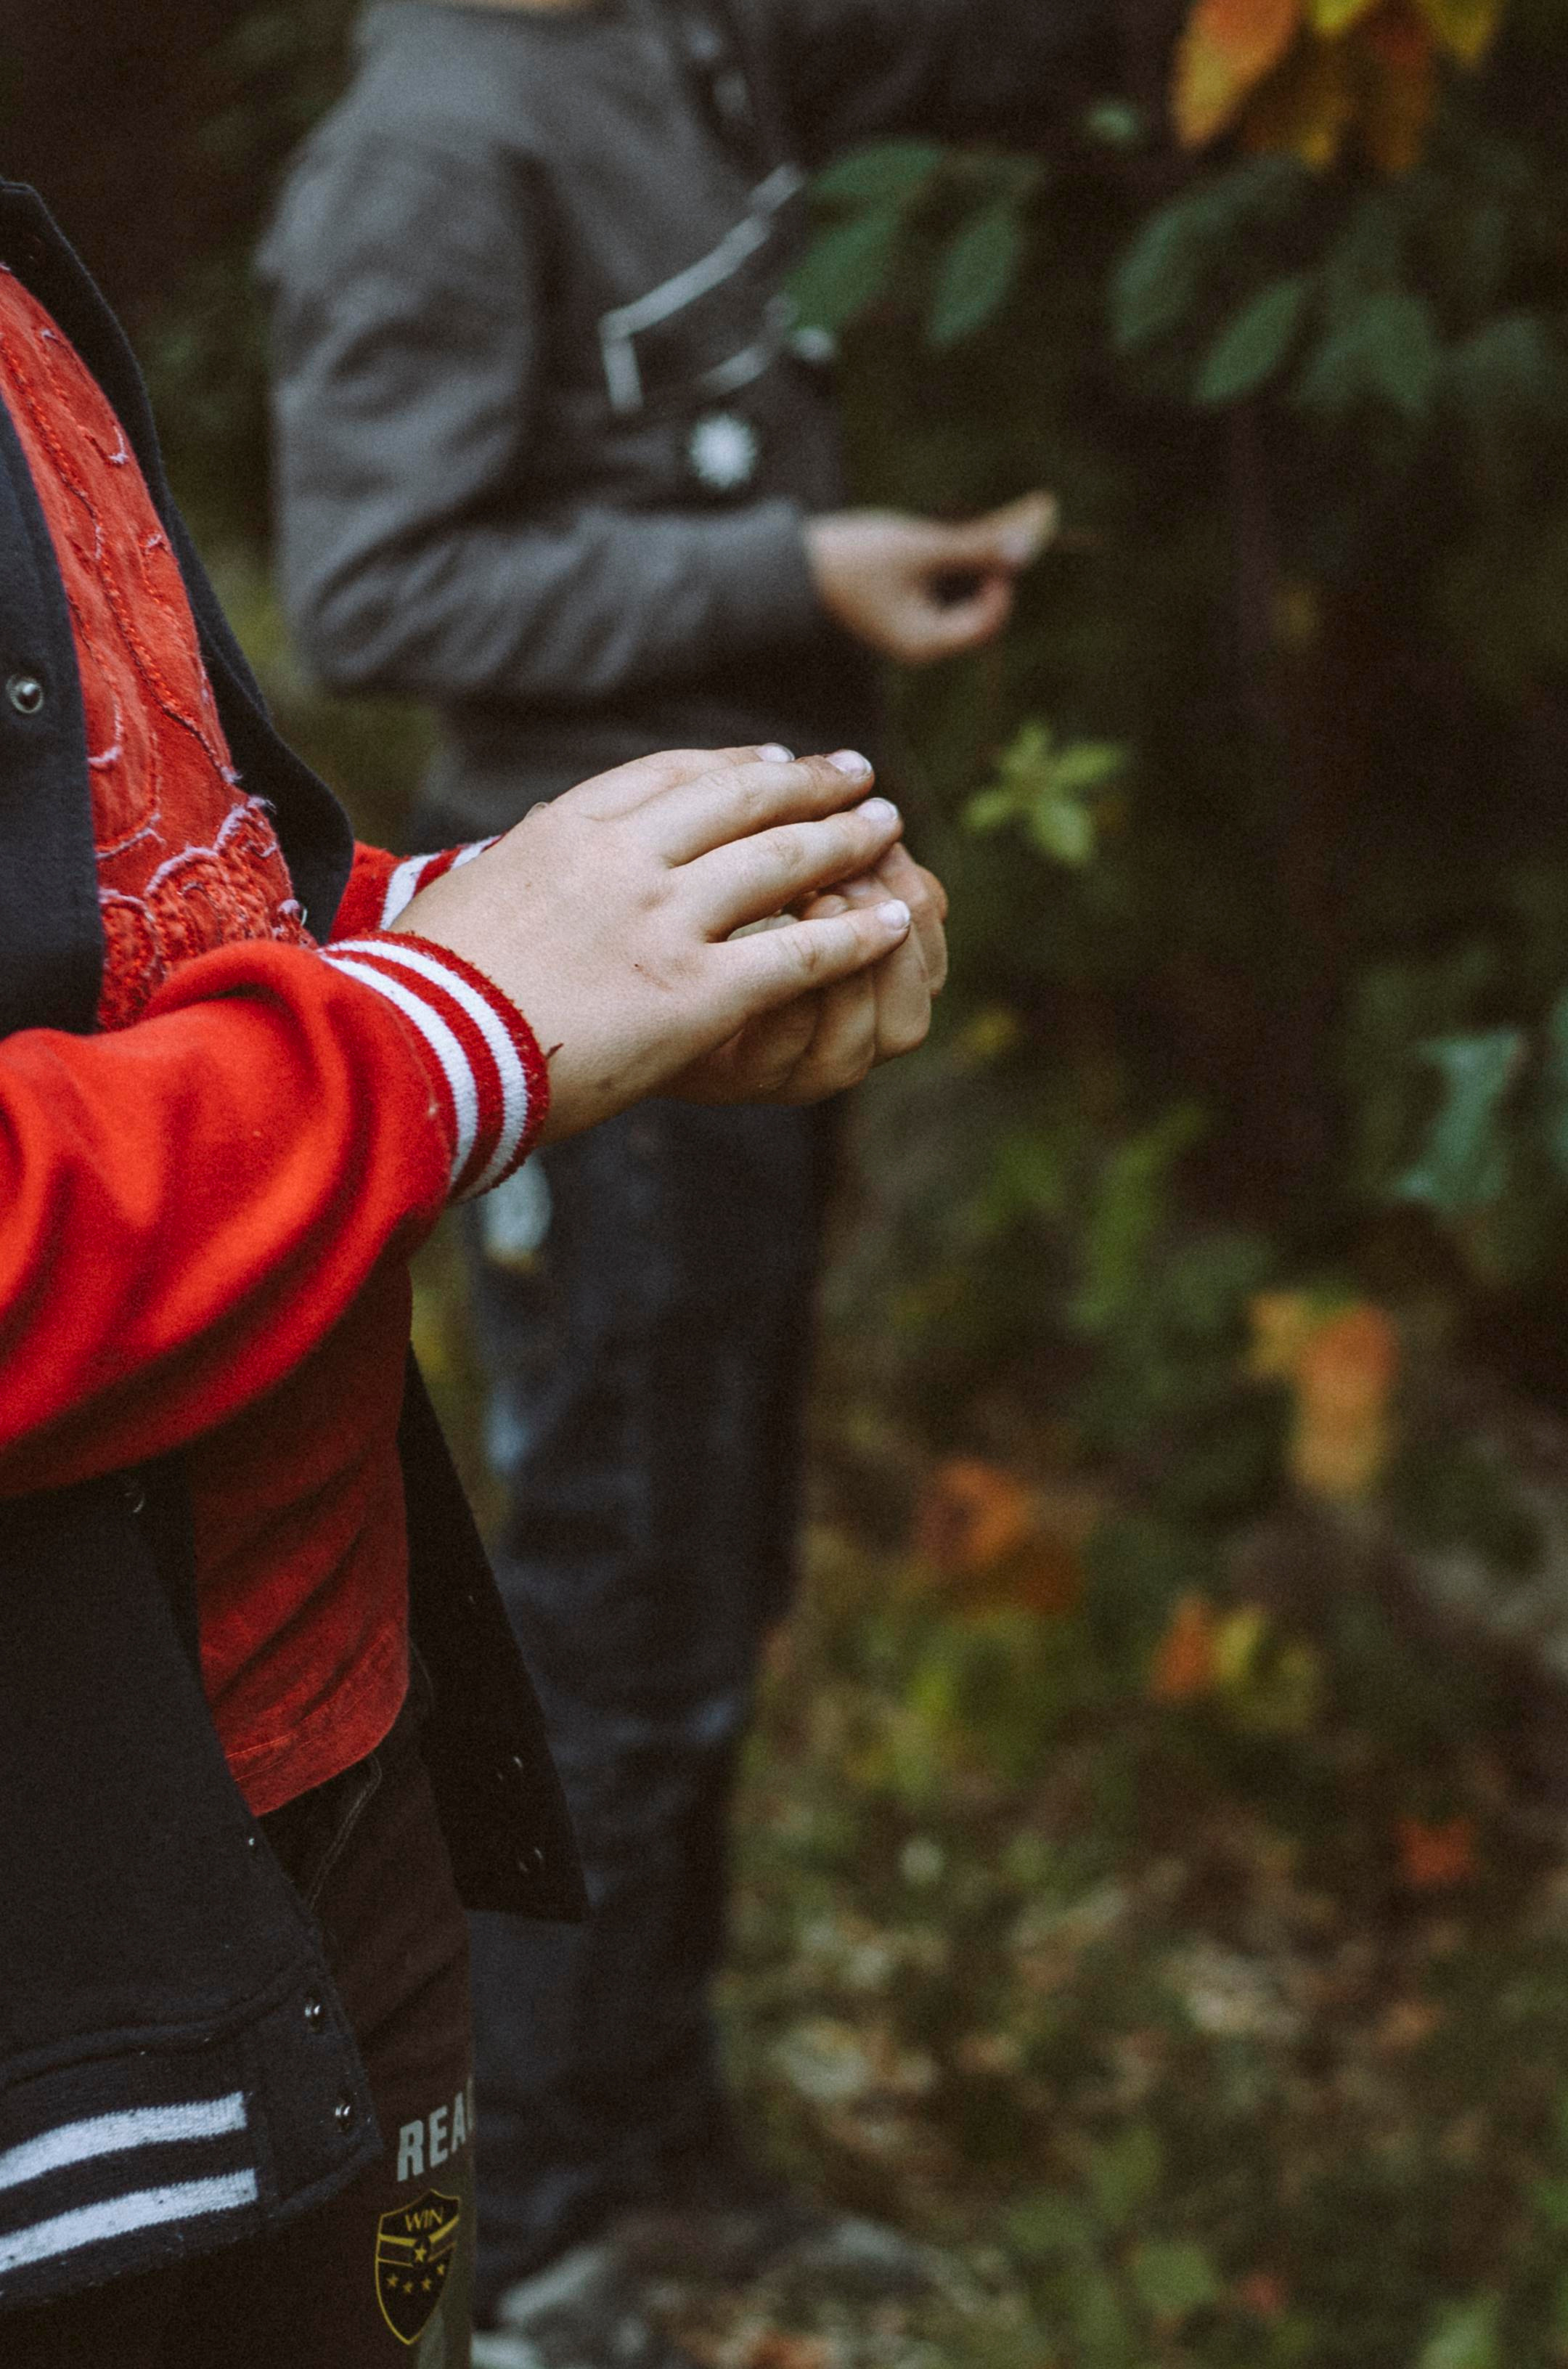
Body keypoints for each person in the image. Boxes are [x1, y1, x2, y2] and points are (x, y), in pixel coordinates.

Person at [0, 165, 945, 2368]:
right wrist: (460, 1034)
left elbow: (152, 921)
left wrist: (588, 932)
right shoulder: (436, 136)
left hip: (327, 1787)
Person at [261, 0, 1108, 2340]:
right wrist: (788, 572)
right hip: (594, 1009)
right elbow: (376, 594)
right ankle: (525, 2236)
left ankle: (657, 2142)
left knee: (705, 1581)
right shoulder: (430, 151)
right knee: (618, 1606)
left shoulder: (680, 37)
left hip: (751, 968)